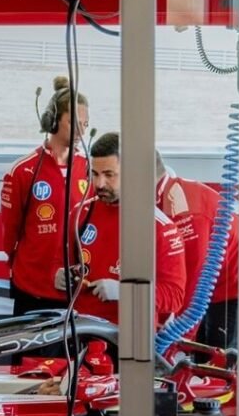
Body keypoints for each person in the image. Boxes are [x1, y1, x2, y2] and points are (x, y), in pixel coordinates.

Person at [56, 132, 186, 325]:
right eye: (95, 174)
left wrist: (124, 292)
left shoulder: (160, 227)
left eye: (109, 175)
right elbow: (60, 261)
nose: (99, 184)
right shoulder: (80, 213)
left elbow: (174, 296)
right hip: (80, 328)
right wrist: (59, 275)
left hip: (129, 334)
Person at [155, 149, 239, 348]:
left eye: (111, 175)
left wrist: (175, 345)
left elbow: (192, 283)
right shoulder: (164, 193)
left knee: (213, 363)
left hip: (237, 295)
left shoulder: (185, 213)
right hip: (211, 294)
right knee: (197, 358)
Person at [0, 76, 90, 316]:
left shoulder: (91, 170)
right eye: (74, 122)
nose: (81, 131)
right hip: (31, 288)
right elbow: (10, 235)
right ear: (52, 121)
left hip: (77, 291)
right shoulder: (23, 170)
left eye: (85, 124)